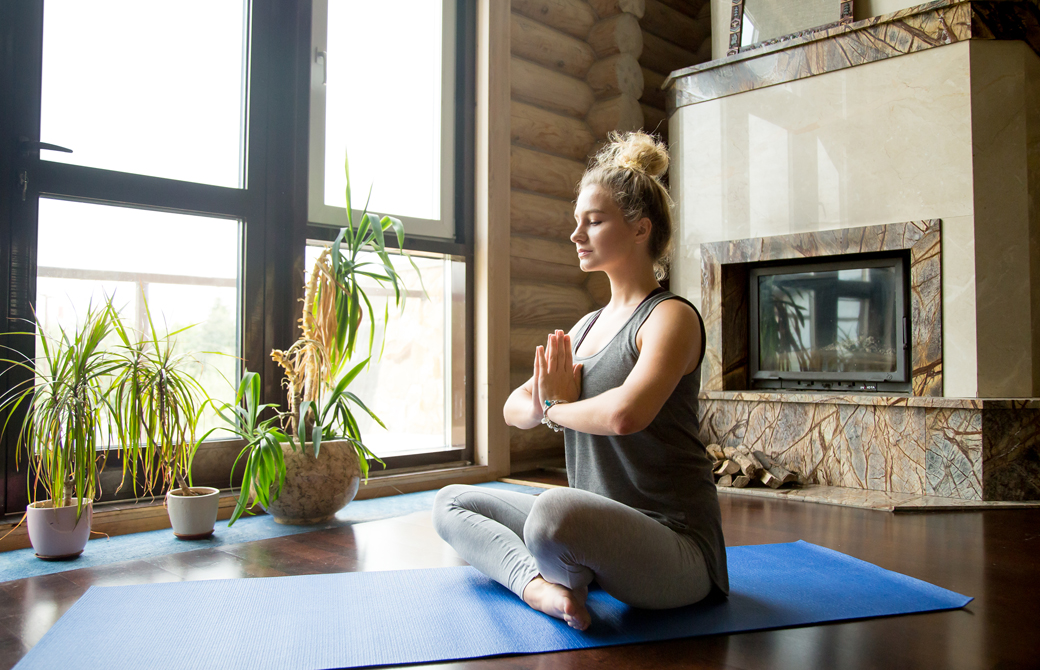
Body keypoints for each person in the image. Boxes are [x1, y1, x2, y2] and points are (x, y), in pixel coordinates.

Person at [432, 131, 728, 631]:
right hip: (597, 533)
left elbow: (624, 414)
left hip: (676, 550)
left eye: (593, 221)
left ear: (640, 229)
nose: (576, 235)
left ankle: (564, 572)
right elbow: (513, 408)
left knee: (553, 513)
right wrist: (545, 403)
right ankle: (541, 588)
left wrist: (552, 410)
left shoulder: (669, 317)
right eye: (577, 222)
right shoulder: (585, 327)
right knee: (451, 502)